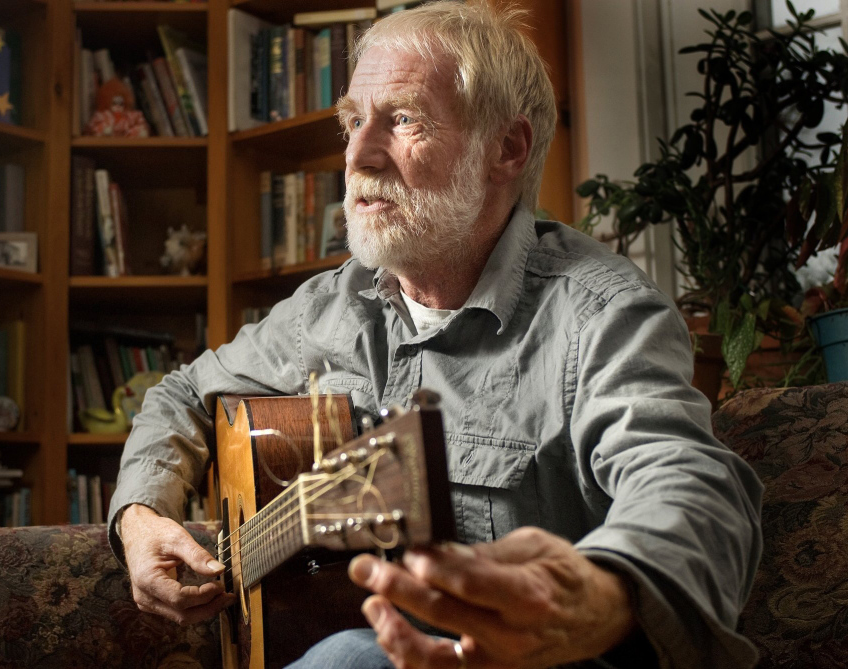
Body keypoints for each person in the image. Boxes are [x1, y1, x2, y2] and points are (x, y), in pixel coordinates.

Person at [108, 2, 763, 667]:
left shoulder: (602, 313)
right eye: (352, 121)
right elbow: (182, 394)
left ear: (506, 149)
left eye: (402, 120)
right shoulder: (329, 307)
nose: (358, 156)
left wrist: (605, 590)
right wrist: (140, 516)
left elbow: (688, 483)